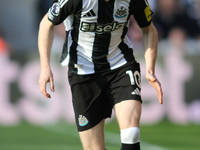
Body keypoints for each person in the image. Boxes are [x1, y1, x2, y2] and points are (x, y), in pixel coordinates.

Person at [38, 0, 163, 150]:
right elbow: (46, 24)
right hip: (83, 72)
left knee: (132, 134)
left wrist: (150, 69)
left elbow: (149, 29)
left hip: (121, 66)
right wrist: (45, 67)